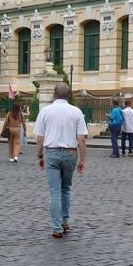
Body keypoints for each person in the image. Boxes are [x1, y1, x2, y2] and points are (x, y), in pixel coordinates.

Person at [34, 83, 87, 238]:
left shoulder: (45, 111)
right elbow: (82, 139)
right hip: (71, 153)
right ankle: (65, 220)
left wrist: (39, 156)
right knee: (66, 189)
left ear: (54, 94)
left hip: (52, 153)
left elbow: (39, 138)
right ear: (68, 95)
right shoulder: (76, 112)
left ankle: (57, 227)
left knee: (55, 192)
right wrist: (82, 160)